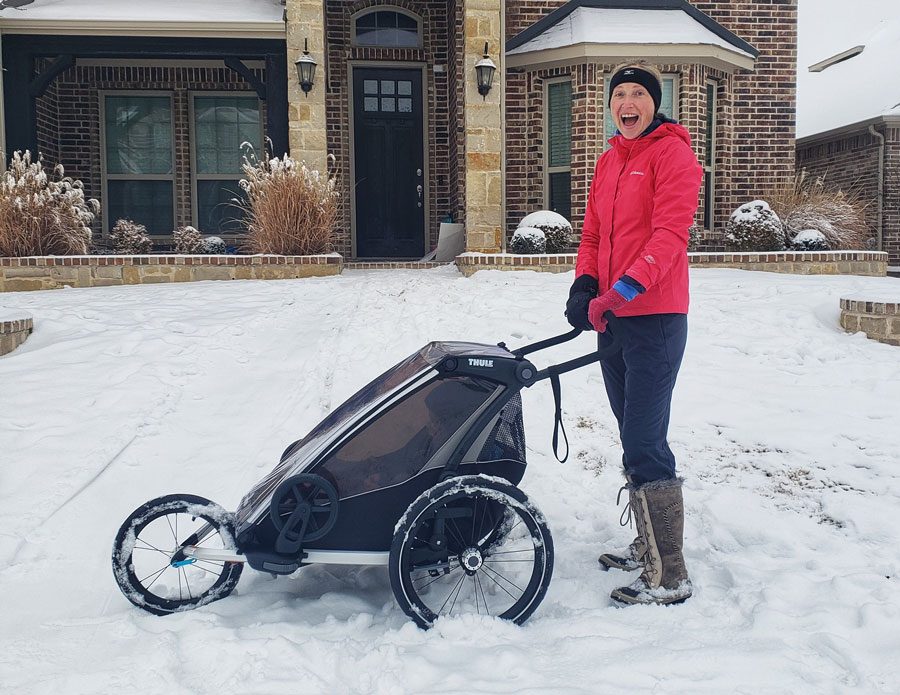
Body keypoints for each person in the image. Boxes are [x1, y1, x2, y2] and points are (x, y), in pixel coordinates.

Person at [565, 61, 702, 606]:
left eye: (637, 94)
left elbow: (671, 235)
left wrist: (620, 291)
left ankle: (670, 574)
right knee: (632, 434)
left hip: (658, 320)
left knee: (645, 440)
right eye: (619, 94)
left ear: (654, 102)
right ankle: (649, 543)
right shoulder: (608, 162)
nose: (627, 102)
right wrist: (584, 284)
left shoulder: (673, 155)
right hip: (615, 319)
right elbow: (593, 234)